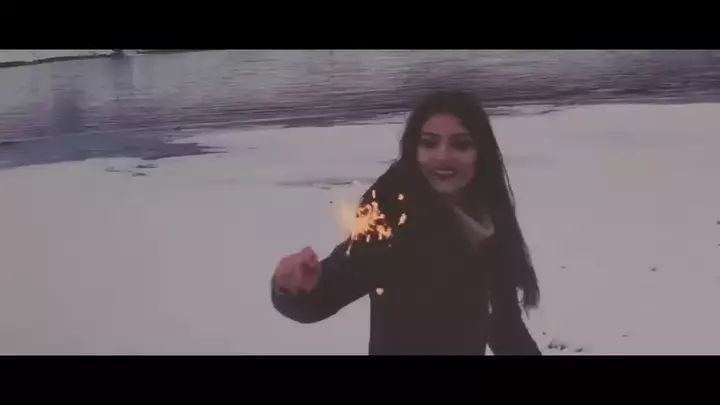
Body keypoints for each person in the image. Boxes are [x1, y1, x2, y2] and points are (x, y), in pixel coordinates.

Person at [270, 90, 541, 355]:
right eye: (429, 143)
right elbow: (336, 282)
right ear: (414, 149)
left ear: (480, 153)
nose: (442, 156)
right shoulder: (393, 216)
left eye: (461, 144)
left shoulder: (489, 218)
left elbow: (505, 328)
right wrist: (295, 289)